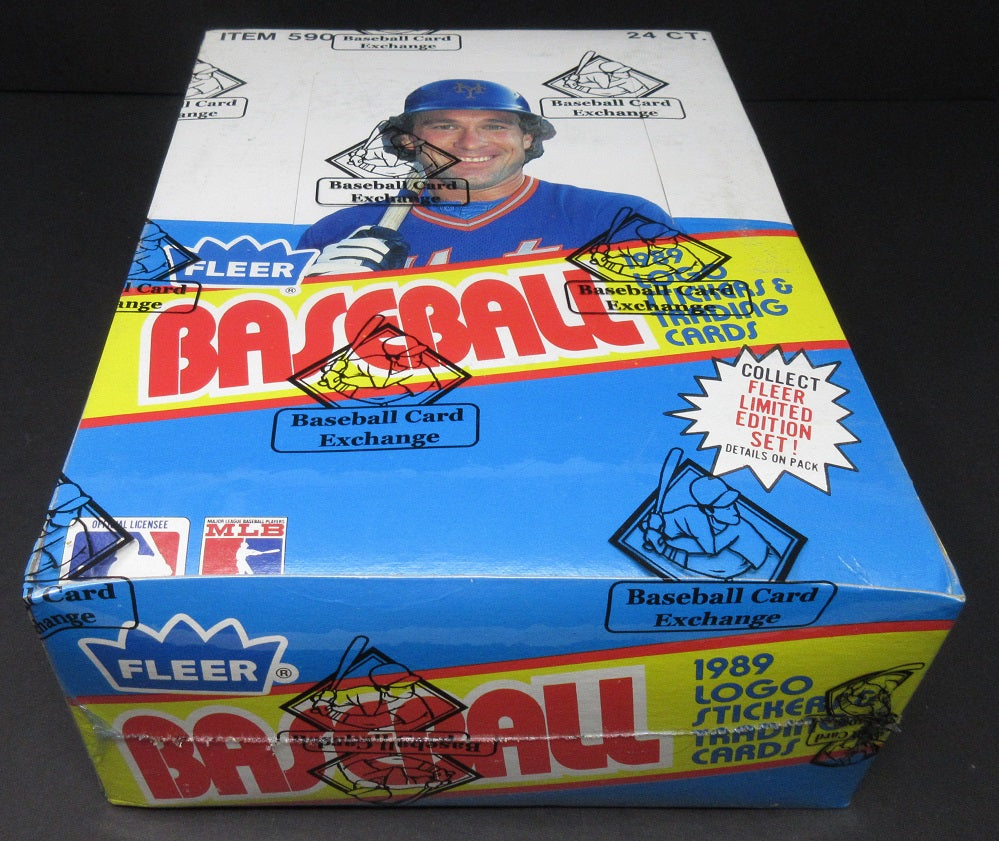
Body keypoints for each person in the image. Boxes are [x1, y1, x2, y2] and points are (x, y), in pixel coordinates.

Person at [298, 78, 675, 274]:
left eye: (495, 126)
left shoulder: (617, 218)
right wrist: (321, 299)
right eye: (445, 126)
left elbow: (681, 330)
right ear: (409, 141)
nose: (470, 142)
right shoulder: (339, 231)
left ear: (527, 139)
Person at [642, 475, 780, 579]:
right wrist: (655, 525)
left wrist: (660, 545)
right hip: (739, 571)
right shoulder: (690, 515)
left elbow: (710, 550)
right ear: (708, 510)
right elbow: (648, 523)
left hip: (768, 569)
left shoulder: (737, 528)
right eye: (726, 507)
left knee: (716, 562)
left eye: (733, 504)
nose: (735, 511)